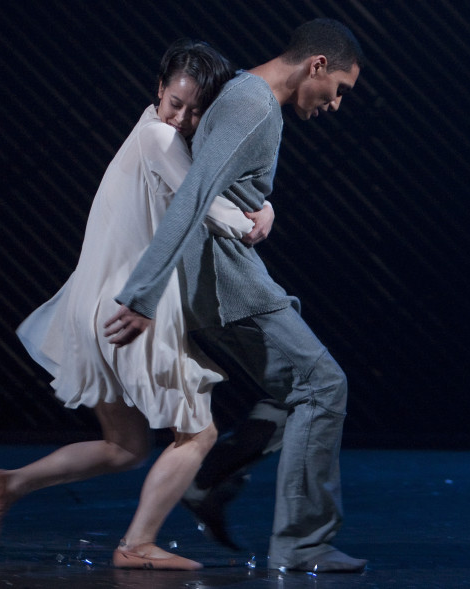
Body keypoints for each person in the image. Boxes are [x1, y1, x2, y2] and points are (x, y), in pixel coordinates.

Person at [0, 39, 275, 571]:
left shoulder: (148, 133)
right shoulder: (159, 137)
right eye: (175, 104)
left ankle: (11, 483)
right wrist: (254, 220)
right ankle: (136, 544)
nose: (182, 119)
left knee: (125, 446)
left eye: (195, 110)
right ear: (158, 92)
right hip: (130, 310)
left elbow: (202, 185)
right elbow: (199, 199)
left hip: (89, 309)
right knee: (198, 433)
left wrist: (254, 203)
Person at [104, 18, 368, 573]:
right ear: (317, 64)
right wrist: (144, 293)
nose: (336, 103)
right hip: (229, 282)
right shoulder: (252, 102)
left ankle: (215, 478)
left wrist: (263, 207)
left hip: (225, 275)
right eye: (339, 89)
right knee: (323, 384)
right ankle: (302, 542)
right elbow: (194, 191)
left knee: (290, 390)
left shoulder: (249, 97)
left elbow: (222, 185)